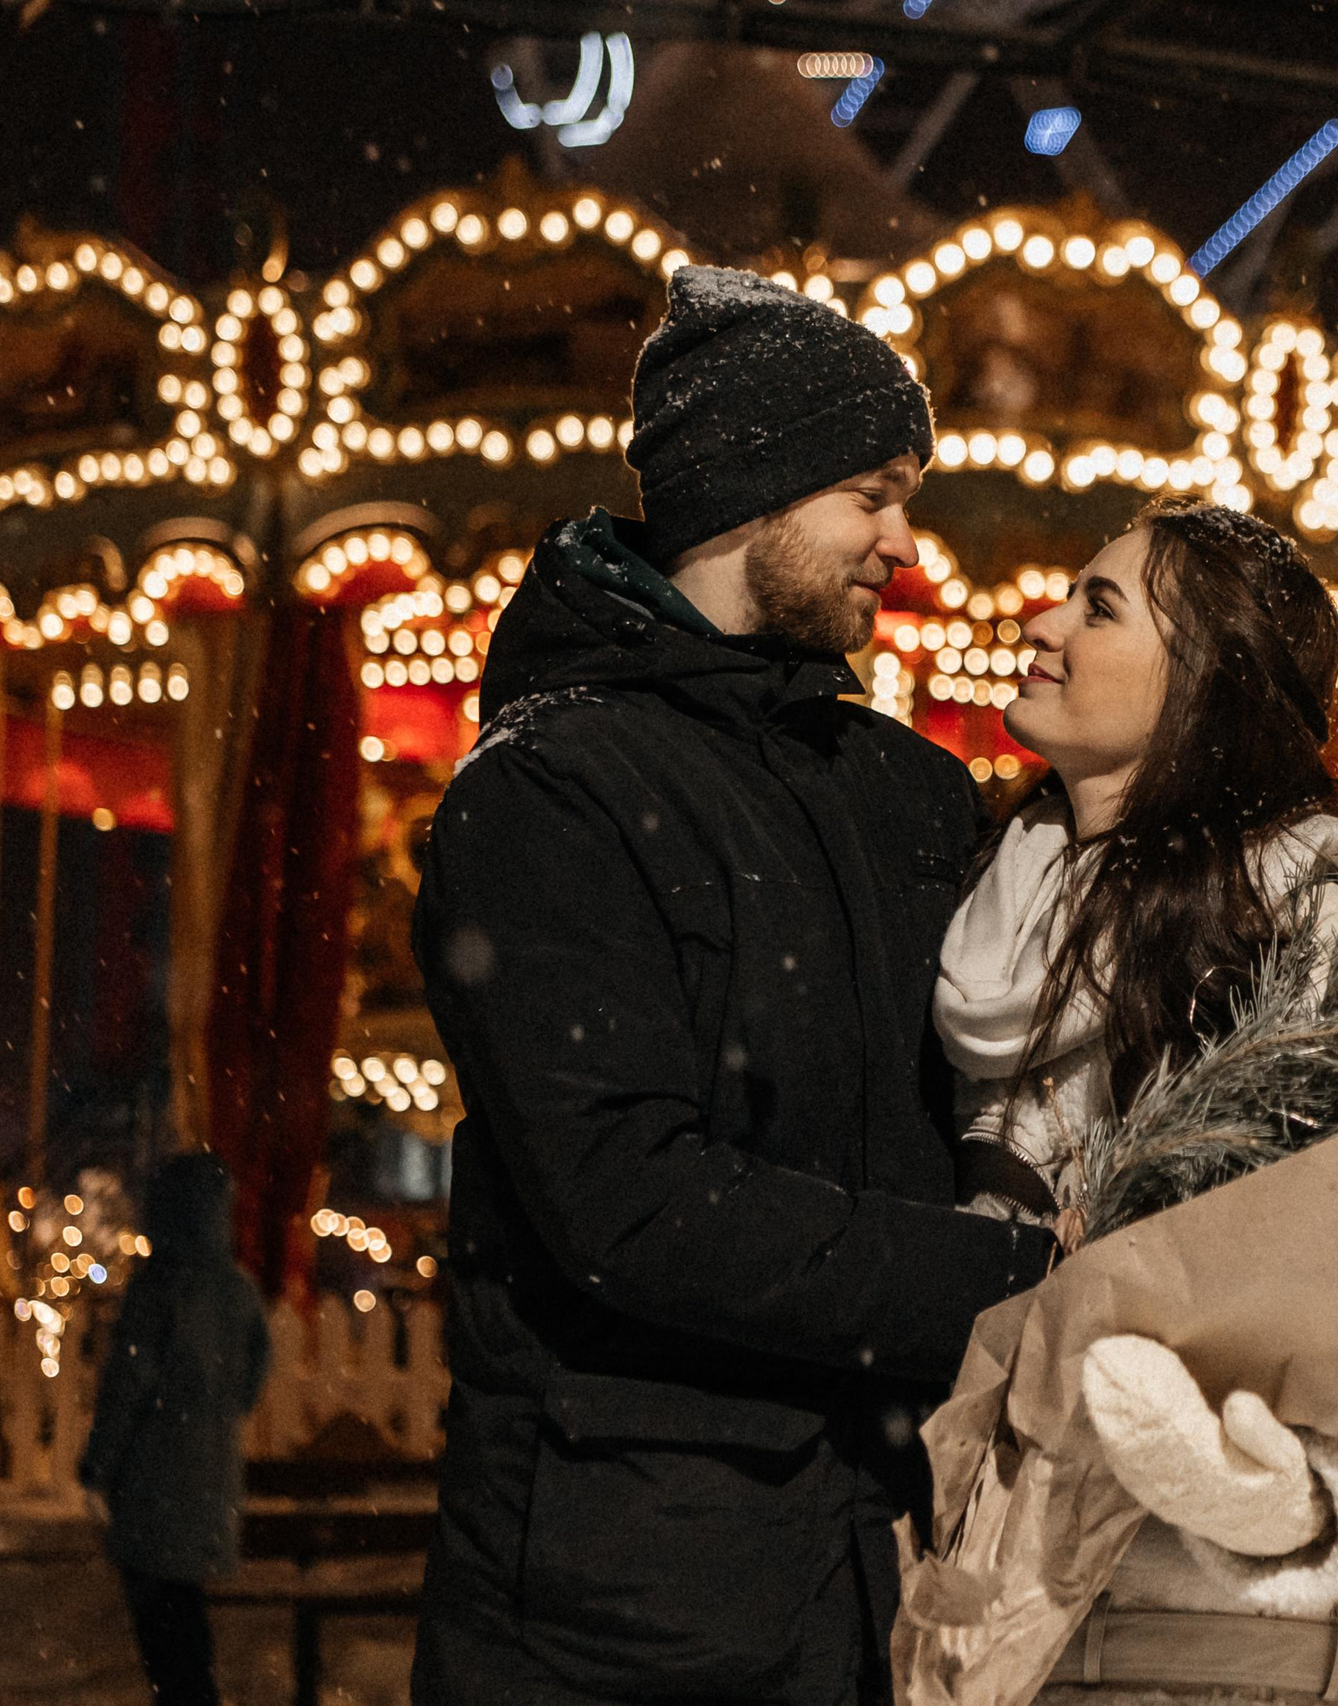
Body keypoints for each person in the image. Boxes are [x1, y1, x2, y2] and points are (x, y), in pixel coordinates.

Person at [410, 267, 1058, 1705]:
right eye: (871, 492)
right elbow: (630, 1198)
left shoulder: (901, 787)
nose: (904, 536)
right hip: (626, 1597)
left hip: (878, 1560)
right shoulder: (551, 795)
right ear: (751, 492)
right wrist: (1008, 1278)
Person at [933, 498, 1338, 1706]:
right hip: (1006, 1588)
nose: (1044, 621)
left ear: (1202, 681)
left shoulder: (1317, 902)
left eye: (1097, 605)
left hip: (1223, 1612)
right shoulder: (998, 896)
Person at [79, 1152, 272, 1706]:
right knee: (184, 1619)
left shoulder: (157, 1289)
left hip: (152, 1484)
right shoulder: (236, 1290)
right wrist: (218, 1411)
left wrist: (98, 1464)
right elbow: (256, 1368)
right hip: (209, 1482)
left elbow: (126, 1388)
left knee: (164, 1629)